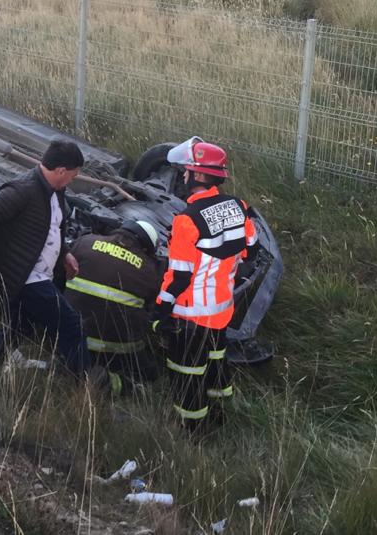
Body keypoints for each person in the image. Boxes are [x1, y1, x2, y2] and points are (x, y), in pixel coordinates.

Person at [151, 140, 259, 431]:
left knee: (187, 372)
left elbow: (179, 277)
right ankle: (221, 410)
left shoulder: (186, 221)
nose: (182, 178)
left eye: (185, 173)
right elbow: (251, 250)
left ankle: (194, 429)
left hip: (192, 314)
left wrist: (160, 309)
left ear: (197, 176)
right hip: (222, 308)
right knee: (215, 360)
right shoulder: (239, 207)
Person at [0, 139, 90, 373]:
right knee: (71, 324)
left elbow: (54, 227)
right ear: (61, 171)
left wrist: (65, 254)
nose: (73, 179)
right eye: (74, 174)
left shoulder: (57, 191)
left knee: (20, 325)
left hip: (38, 274)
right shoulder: (22, 190)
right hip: (26, 276)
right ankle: (84, 383)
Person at [63, 219, 163, 393]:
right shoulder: (149, 268)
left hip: (71, 334)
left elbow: (60, 276)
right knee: (149, 374)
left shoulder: (85, 242)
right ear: (145, 247)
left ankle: (74, 370)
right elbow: (151, 307)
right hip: (118, 346)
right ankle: (112, 383)